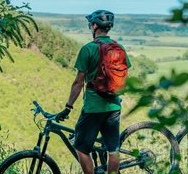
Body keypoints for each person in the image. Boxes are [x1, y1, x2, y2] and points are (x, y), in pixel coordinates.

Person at [56, 10, 131, 174]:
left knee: (81, 148)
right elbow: (124, 75)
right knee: (113, 149)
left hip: (93, 107)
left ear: (95, 26)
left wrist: (68, 107)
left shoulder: (88, 49)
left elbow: (78, 82)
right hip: (114, 107)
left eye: (91, 24)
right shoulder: (120, 48)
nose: (90, 27)